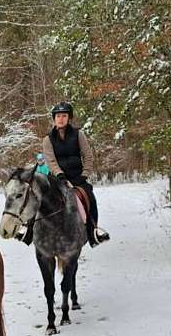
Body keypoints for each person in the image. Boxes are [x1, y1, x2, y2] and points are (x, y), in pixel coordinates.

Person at [23, 101, 110, 248]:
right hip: (56, 179)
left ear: (69, 118)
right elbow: (50, 160)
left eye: (64, 115)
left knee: (90, 198)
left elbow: (88, 156)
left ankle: (93, 231)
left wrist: (84, 175)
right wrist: (60, 175)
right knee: (37, 196)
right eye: (58, 116)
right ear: (54, 119)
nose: (61, 119)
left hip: (78, 177)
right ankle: (28, 230)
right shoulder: (48, 139)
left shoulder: (79, 135)